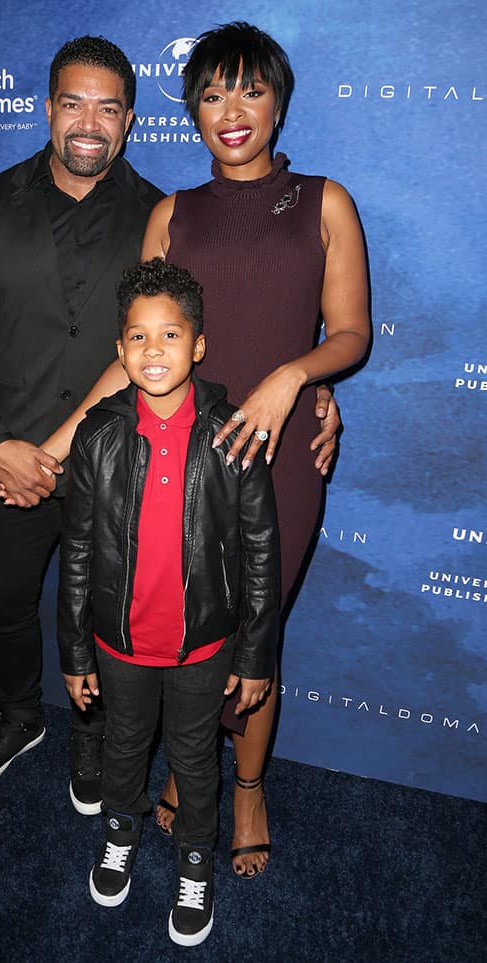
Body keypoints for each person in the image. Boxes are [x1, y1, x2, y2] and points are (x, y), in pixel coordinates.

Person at [49, 22, 370, 875]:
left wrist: (295, 378)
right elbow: (136, 350)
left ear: (278, 101)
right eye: (213, 94)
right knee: (190, 623)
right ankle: (200, 770)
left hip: (276, 451)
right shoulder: (172, 213)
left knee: (254, 621)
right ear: (192, 108)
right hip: (172, 460)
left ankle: (248, 784)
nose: (232, 111)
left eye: (251, 91)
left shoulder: (323, 202)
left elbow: (350, 332)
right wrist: (58, 444)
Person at [0, 36, 163, 811]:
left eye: (107, 107)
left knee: (103, 612)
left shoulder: (161, 217)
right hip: (12, 463)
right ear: (48, 109)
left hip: (116, 465)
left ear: (129, 120)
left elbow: (169, 343)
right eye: (73, 104)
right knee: (5, 599)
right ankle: (19, 715)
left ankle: (90, 737)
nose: (88, 123)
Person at [57, 258, 280, 946]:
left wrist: (253, 655)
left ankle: (193, 865)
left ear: (199, 343)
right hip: (119, 643)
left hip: (204, 646)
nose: (154, 351)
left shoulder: (233, 433)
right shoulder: (97, 434)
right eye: (137, 338)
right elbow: (79, 550)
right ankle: (118, 834)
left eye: (170, 335)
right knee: (123, 748)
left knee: (193, 758)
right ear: (120, 349)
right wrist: (74, 650)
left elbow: (261, 554)